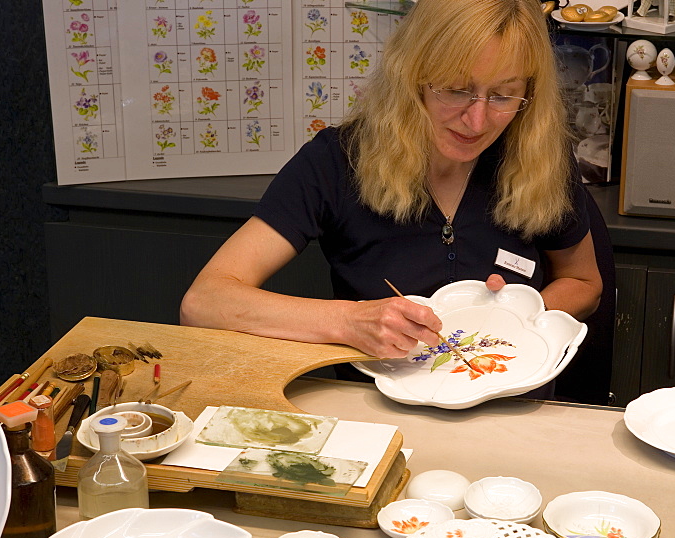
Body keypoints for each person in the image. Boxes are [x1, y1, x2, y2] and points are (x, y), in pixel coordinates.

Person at [180, 0, 606, 364]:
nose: (477, 121)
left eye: (502, 95)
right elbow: (205, 302)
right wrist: (349, 321)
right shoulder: (337, 161)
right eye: (457, 90)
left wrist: (518, 315)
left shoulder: (537, 155)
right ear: (413, 74)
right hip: (376, 414)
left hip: (508, 399)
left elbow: (585, 285)